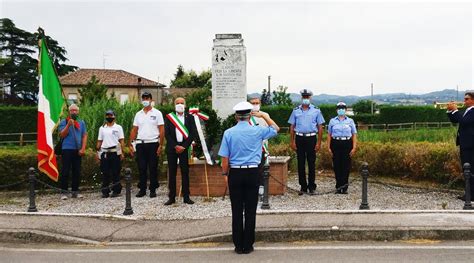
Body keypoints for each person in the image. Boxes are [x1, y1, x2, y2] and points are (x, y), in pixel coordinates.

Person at [219, 101, 279, 254]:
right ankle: (248, 244)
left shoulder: (229, 132)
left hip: (236, 173)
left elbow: (224, 159)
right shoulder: (257, 131)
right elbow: (276, 129)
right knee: (251, 210)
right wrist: (264, 116)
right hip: (253, 172)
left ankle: (238, 245)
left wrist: (225, 174)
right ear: (249, 116)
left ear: (236, 116)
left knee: (237, 210)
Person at [287, 89, 325, 195]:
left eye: (307, 97)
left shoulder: (316, 110)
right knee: (301, 164)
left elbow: (320, 127)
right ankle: (303, 187)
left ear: (310, 98)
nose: (306, 99)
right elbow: (292, 126)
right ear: (301, 98)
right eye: (304, 97)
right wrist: (292, 141)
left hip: (311, 138)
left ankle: (311, 186)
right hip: (299, 138)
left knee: (311, 163)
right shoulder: (295, 110)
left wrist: (319, 143)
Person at [129, 92, 165, 198]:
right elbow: (134, 130)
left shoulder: (157, 113)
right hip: (140, 144)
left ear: (151, 99)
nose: (145, 100)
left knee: (153, 167)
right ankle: (142, 189)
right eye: (143, 98)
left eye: (147, 98)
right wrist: (131, 144)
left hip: (153, 143)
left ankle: (153, 189)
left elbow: (162, 129)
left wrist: (161, 145)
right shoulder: (138, 114)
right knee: (142, 167)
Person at [164, 97, 197, 205]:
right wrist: (175, 146)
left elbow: (193, 133)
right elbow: (167, 134)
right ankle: (171, 197)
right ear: (174, 105)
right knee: (172, 173)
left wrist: (184, 146)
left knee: (185, 173)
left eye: (182, 103)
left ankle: (186, 197)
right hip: (172, 149)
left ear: (185, 105)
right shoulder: (169, 117)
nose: (180, 105)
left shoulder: (190, 117)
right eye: (177, 103)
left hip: (184, 149)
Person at [447, 91, 474, 201]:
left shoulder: (473, 111)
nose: (464, 101)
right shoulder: (468, 111)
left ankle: (471, 195)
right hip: (465, 144)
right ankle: (469, 193)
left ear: (473, 100)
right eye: (465, 99)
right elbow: (455, 120)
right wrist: (450, 111)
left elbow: (463, 121)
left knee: (470, 170)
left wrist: (456, 110)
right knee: (466, 170)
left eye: (467, 99)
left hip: (470, 145)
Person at [58, 104, 88, 200]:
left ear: (78, 112)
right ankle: (64, 192)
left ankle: (75, 191)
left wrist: (83, 148)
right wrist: (68, 125)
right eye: (72, 110)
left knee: (77, 171)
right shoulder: (64, 121)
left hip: (77, 150)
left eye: (75, 110)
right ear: (69, 112)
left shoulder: (81, 122)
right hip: (66, 149)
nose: (74, 112)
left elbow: (84, 135)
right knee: (65, 171)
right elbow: (62, 135)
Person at [327, 102, 357, 194]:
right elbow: (329, 135)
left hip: (347, 143)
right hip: (335, 143)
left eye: (343, 108)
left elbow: (354, 134)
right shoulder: (332, 121)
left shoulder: (350, 121)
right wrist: (328, 147)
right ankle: (338, 186)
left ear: (346, 109)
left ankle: (344, 187)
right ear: (336, 110)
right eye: (339, 108)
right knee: (337, 166)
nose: (341, 110)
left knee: (346, 166)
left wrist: (354, 147)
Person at [96, 110, 125, 198]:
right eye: (107, 115)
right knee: (105, 172)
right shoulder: (102, 128)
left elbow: (121, 141)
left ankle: (116, 190)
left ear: (114, 116)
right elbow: (99, 141)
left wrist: (122, 152)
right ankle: (105, 191)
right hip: (105, 152)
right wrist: (97, 152)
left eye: (110, 115)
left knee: (116, 172)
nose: (109, 117)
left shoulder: (118, 127)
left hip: (115, 152)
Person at [248, 96, 270, 191]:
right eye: (253, 103)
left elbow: (271, 130)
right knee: (251, 171)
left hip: (261, 148)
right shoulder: (247, 117)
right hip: (249, 149)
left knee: (261, 170)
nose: (255, 105)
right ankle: (251, 189)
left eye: (257, 103)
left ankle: (261, 191)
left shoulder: (265, 115)